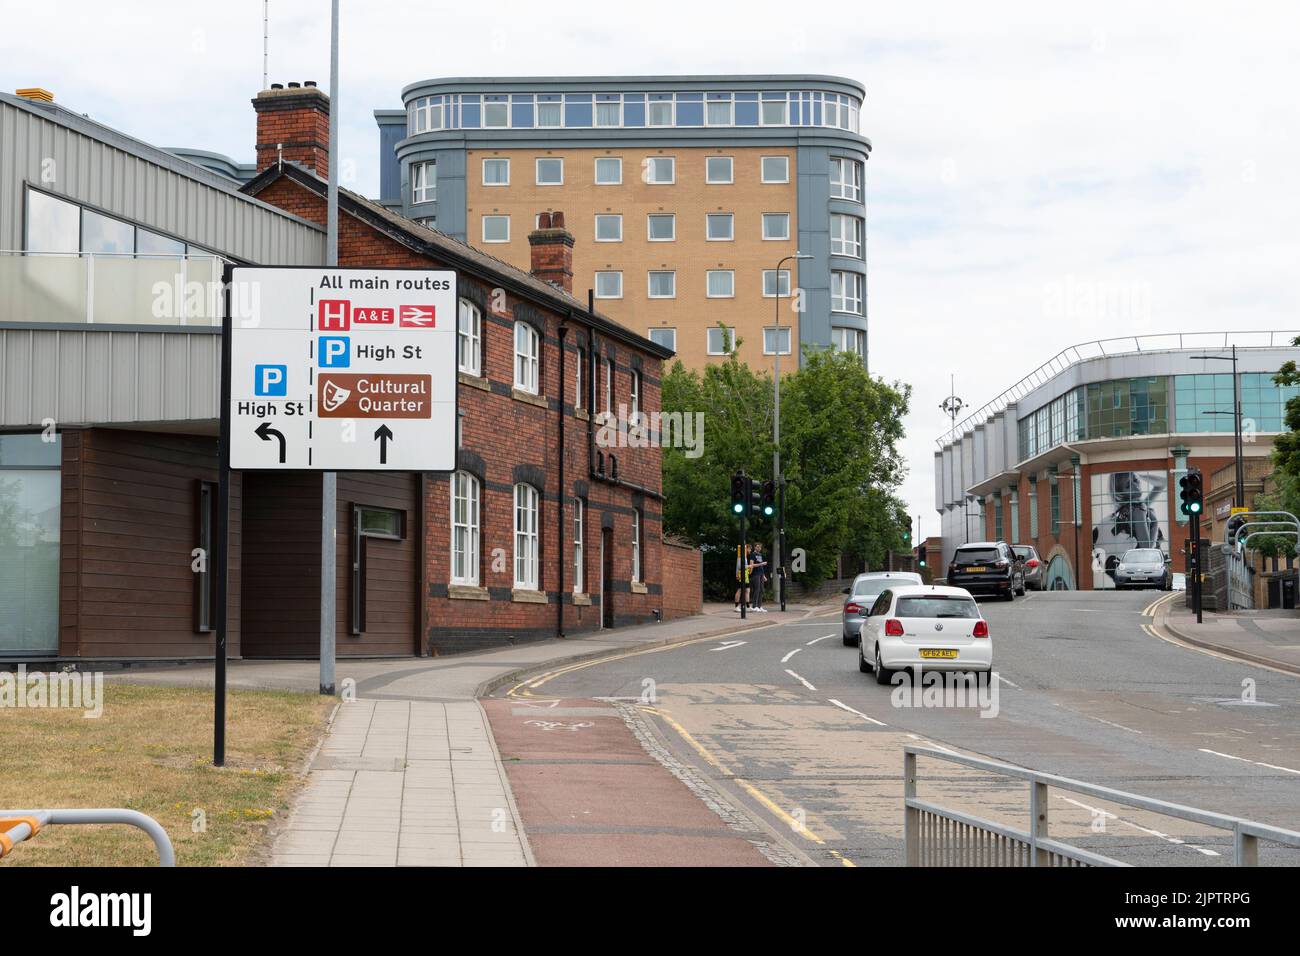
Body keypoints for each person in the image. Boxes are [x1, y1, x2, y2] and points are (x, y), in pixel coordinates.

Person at [749, 544, 768, 612]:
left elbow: (761, 567)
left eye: (760, 547)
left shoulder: (760, 555)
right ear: (755, 547)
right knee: (757, 589)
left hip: (760, 574)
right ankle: (754, 606)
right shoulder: (753, 554)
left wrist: (764, 576)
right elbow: (751, 565)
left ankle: (759, 606)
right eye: (757, 547)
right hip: (755, 574)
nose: (759, 548)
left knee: (761, 590)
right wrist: (761, 564)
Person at [734, 545, 750, 612]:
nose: (749, 551)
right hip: (740, 576)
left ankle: (747, 606)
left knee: (747, 590)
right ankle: (736, 606)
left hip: (745, 576)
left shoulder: (745, 557)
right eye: (748, 549)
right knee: (739, 590)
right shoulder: (740, 557)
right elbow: (741, 567)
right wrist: (750, 566)